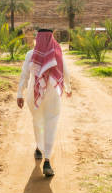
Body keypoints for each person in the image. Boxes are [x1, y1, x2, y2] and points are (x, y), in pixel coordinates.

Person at [16, 29, 72, 177]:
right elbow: (66, 73)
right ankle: (47, 160)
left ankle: (39, 148)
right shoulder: (58, 54)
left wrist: (19, 94)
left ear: (37, 38)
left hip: (34, 96)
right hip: (53, 95)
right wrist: (67, 88)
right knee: (51, 125)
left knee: (37, 122)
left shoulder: (30, 55)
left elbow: (24, 75)